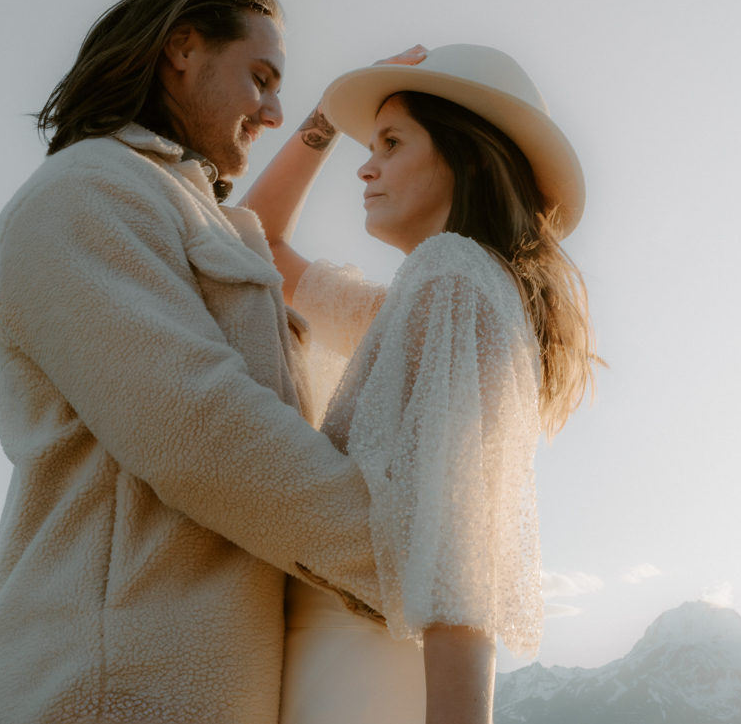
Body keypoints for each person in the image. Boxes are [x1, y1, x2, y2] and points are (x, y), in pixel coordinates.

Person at [0, 0, 388, 724]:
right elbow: (200, 425)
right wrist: (412, 557)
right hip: (110, 692)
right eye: (261, 78)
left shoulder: (199, 214)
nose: (274, 109)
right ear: (183, 50)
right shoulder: (81, 193)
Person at [241, 43, 597, 724]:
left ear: (463, 156)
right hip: (355, 666)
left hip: (355, 675)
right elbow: (258, 243)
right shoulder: (428, 299)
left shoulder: (452, 279)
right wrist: (323, 118)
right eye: (366, 143)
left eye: (392, 142)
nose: (364, 164)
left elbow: (460, 560)